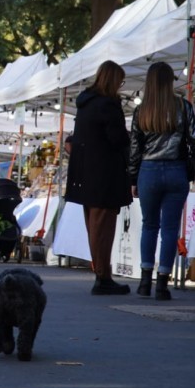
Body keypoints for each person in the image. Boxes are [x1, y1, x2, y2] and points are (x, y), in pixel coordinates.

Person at [65, 60, 133, 295]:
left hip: (86, 175)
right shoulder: (107, 105)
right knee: (103, 229)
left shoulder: (85, 104)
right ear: (113, 80)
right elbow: (118, 140)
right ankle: (103, 276)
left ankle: (101, 273)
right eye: (120, 81)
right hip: (105, 175)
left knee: (93, 227)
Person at [128, 61, 193, 300]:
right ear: (169, 81)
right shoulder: (183, 107)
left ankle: (145, 282)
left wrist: (133, 177)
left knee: (149, 225)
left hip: (148, 171)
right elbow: (194, 139)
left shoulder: (141, 111)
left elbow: (134, 148)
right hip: (177, 171)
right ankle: (163, 284)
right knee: (169, 229)